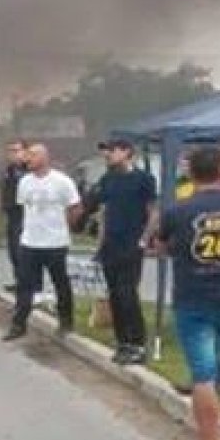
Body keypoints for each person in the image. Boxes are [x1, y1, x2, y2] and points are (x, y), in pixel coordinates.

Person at [156, 146, 220, 440]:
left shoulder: (178, 210)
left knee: (204, 375)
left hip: (193, 297)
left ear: (191, 174)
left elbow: (160, 246)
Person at [85, 139, 157, 364]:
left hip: (131, 243)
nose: (108, 154)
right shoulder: (108, 180)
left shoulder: (143, 179)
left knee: (127, 294)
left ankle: (137, 342)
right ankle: (122, 341)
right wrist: (100, 245)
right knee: (114, 294)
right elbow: (104, 213)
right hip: (111, 245)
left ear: (127, 152)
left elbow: (153, 211)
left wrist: (144, 239)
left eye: (113, 150)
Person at [4, 143, 83, 340]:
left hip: (55, 242)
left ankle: (66, 322)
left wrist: (67, 225)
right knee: (25, 284)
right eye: (27, 155)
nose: (27, 159)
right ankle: (19, 323)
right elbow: (24, 207)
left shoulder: (62, 181)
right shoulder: (25, 183)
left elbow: (76, 207)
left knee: (60, 282)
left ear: (44, 158)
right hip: (30, 242)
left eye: (32, 155)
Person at [0, 139, 30, 291]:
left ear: (25, 152)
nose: (13, 154)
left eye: (16, 151)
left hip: (24, 214)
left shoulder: (29, 170)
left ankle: (28, 283)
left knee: (22, 251)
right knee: (13, 250)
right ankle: (18, 280)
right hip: (12, 213)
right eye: (10, 151)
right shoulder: (9, 170)